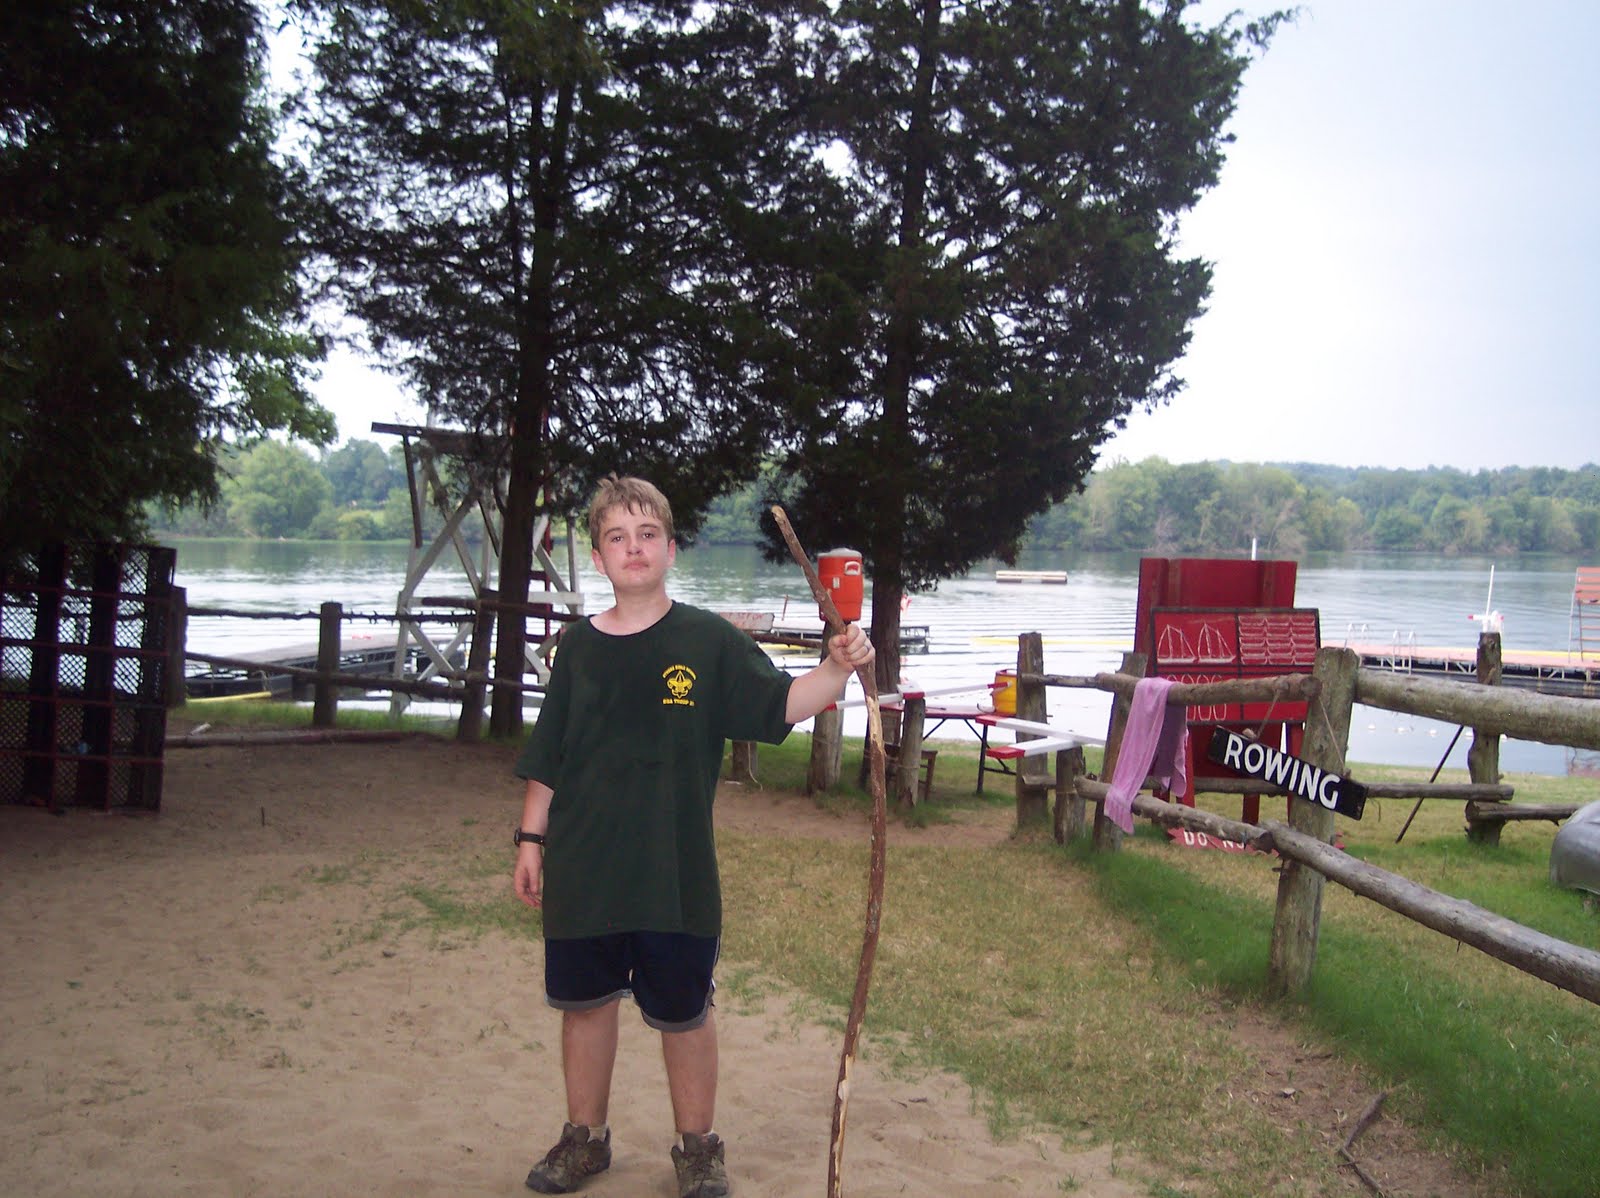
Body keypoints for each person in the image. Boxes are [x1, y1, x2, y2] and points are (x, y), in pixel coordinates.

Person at [512, 476, 873, 1197]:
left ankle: (698, 1148)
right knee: (584, 1009)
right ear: (598, 553)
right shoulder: (576, 649)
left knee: (684, 1015)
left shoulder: (707, 641)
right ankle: (584, 1139)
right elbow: (551, 756)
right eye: (616, 537)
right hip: (584, 866)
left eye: (647, 535)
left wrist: (835, 667)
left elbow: (782, 706)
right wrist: (530, 838)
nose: (633, 548)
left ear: (671, 549)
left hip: (673, 873)